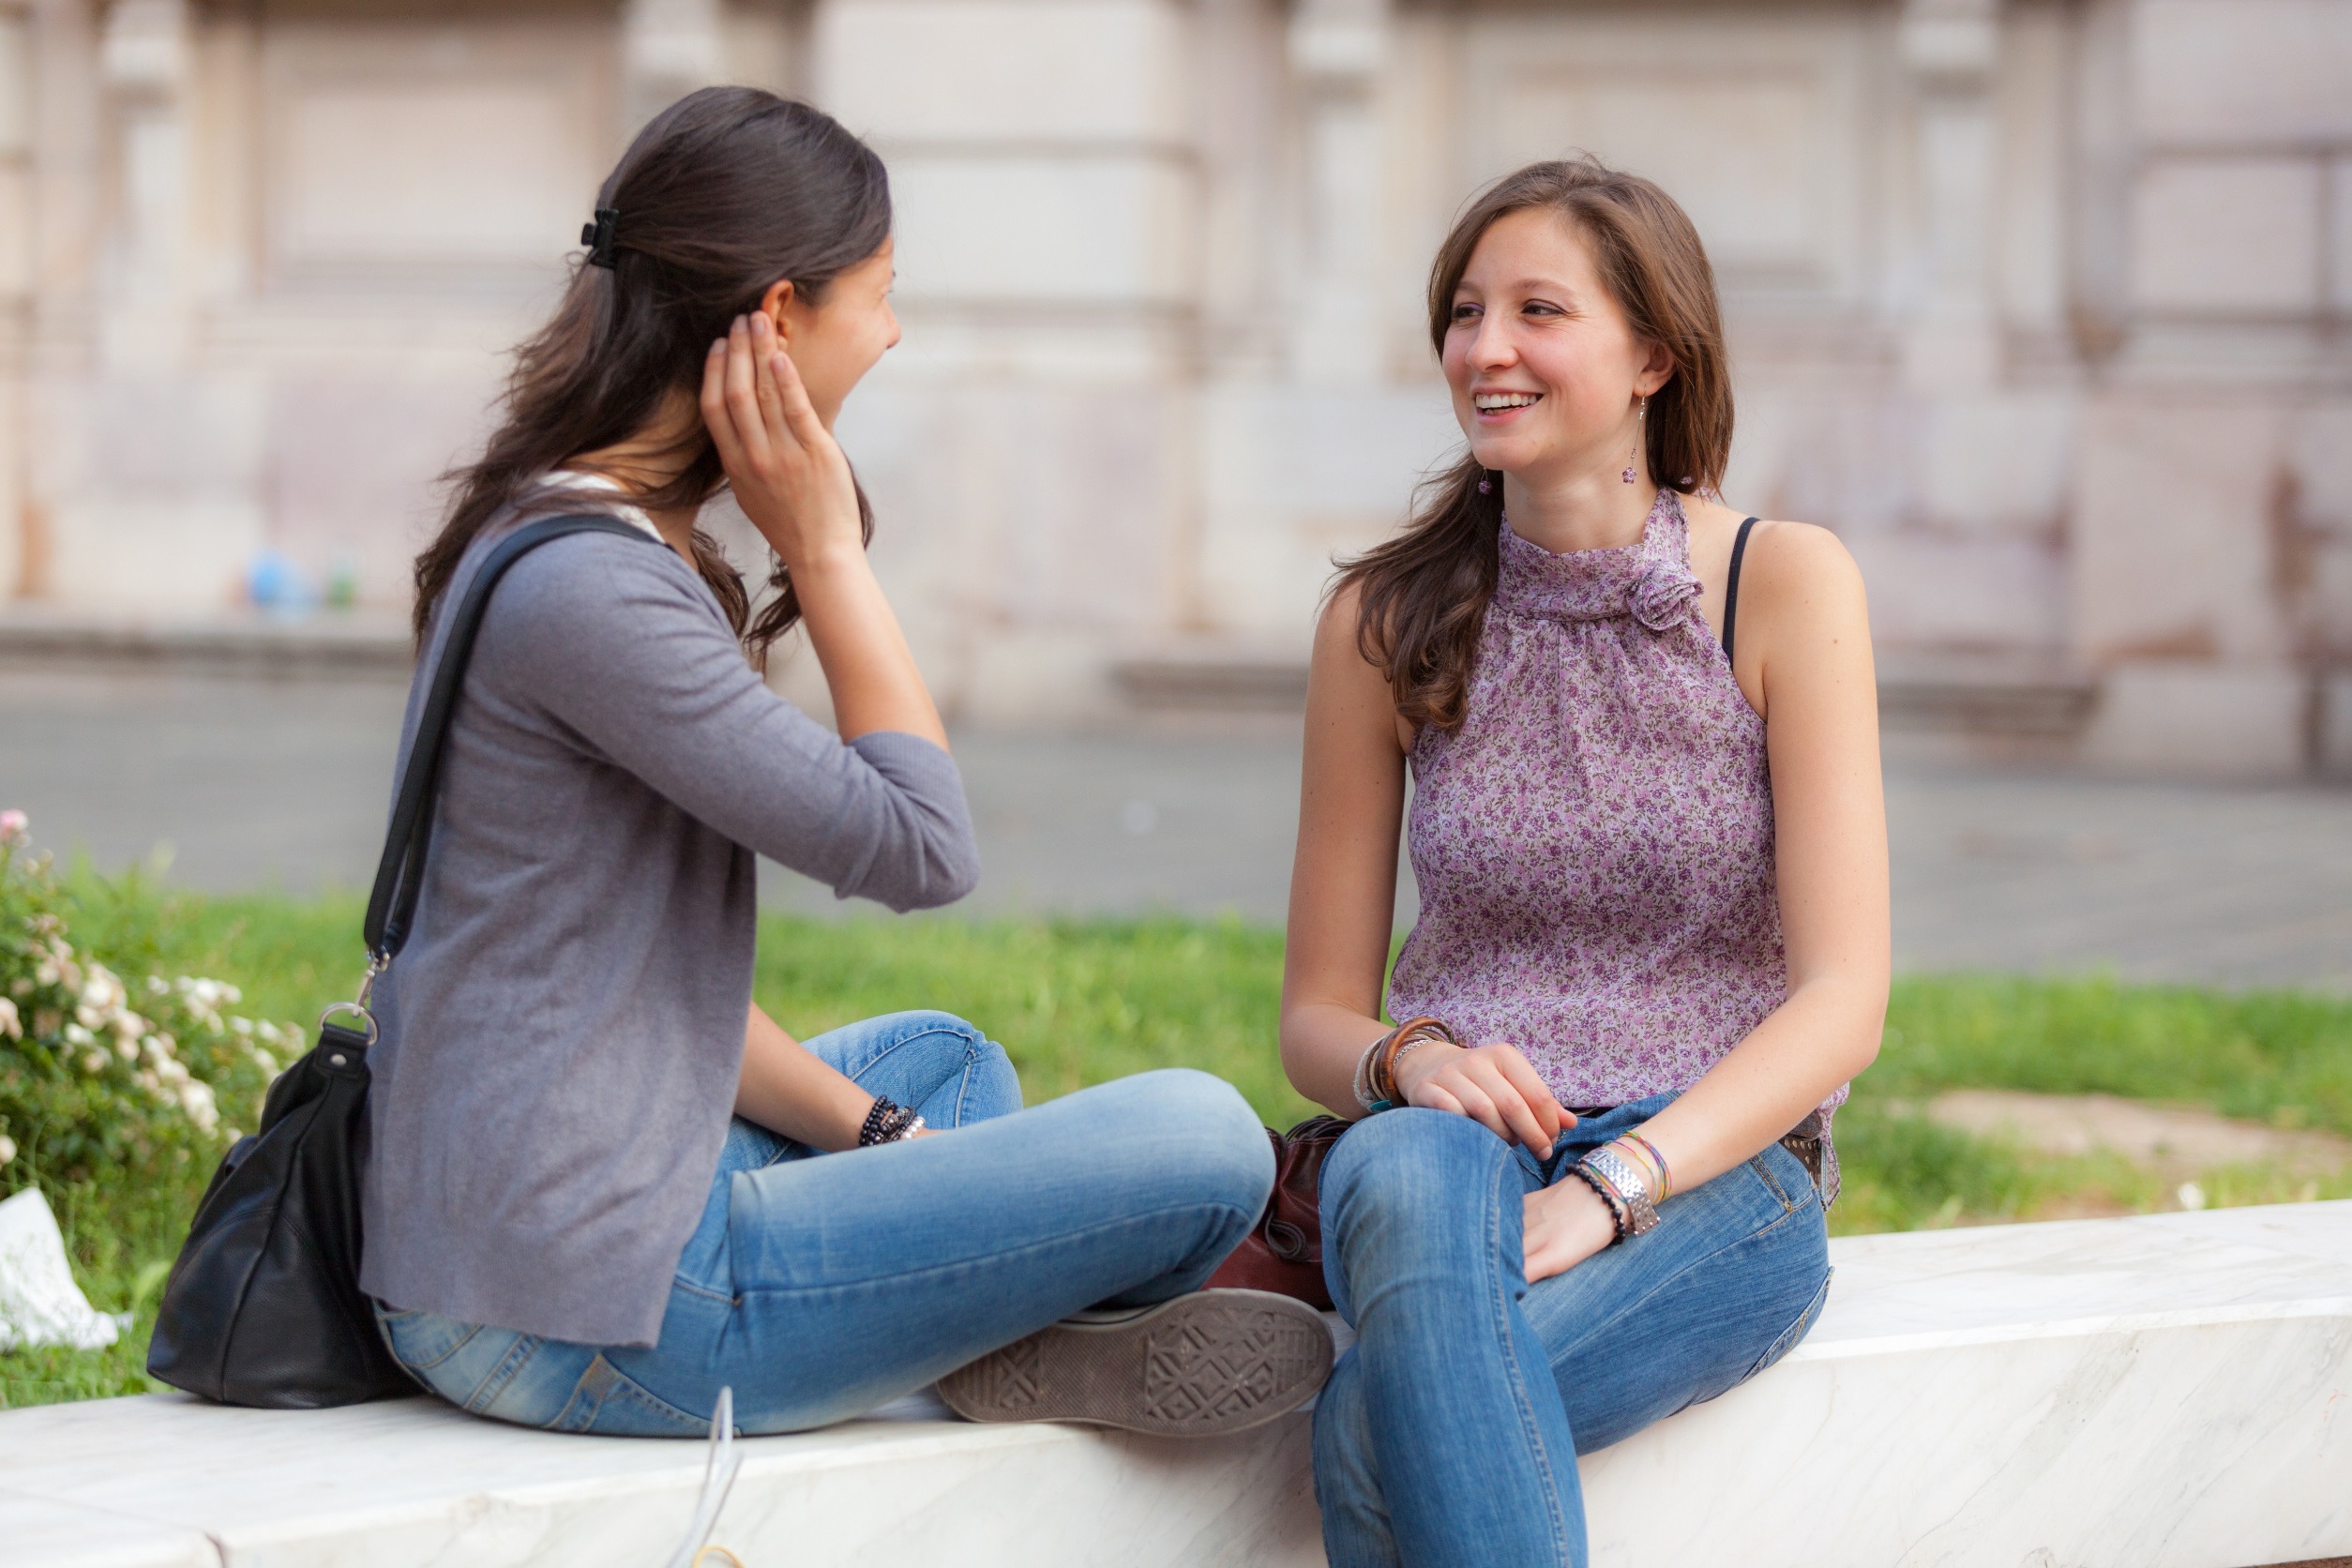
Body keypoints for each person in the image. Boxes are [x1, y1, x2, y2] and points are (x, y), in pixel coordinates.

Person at [360, 86, 1329, 1439]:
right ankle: (976, 1333)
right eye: (879, 293)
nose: (891, 331)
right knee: (1207, 1140)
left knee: (937, 1068)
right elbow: (923, 845)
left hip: (535, 1231)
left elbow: (632, 991)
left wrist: (889, 1144)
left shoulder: (558, 527)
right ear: (775, 318)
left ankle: (967, 1335)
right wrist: (824, 552)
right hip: (583, 1317)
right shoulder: (595, 593)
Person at [1280, 158, 1889, 1566]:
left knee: (1379, 1424)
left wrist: (1624, 1184)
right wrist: (1413, 1062)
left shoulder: (1783, 586)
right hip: (1448, 1151)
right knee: (1403, 1170)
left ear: (1653, 359)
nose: (1485, 349)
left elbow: (1844, 999)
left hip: (1716, 1172)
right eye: (1466, 312)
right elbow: (1317, 1016)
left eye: (1537, 311)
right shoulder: (1379, 620)